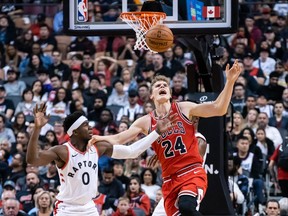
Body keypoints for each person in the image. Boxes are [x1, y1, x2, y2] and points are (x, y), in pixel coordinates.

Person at [91, 61, 240, 215]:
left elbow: (219, 108)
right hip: (169, 180)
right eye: (158, 86)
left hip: (191, 172)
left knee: (187, 206)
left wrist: (229, 82)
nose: (162, 87)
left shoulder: (183, 108)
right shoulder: (146, 121)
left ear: (170, 93)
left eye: (165, 85)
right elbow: (119, 139)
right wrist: (98, 138)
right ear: (151, 95)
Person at [26, 103, 174, 216]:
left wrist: (156, 133)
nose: (91, 128)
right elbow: (33, 160)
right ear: (75, 132)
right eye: (85, 126)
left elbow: (132, 151)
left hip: (89, 207)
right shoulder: (63, 151)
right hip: (67, 209)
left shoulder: (98, 147)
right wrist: (37, 128)